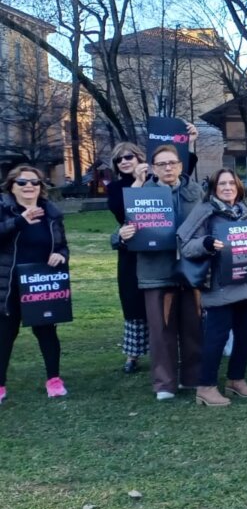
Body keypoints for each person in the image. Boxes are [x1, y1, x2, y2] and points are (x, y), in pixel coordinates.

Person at [178, 169, 247, 406]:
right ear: (214, 188)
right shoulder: (204, 212)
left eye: (232, 183)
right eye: (222, 184)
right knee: (216, 338)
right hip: (221, 287)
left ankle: (236, 379)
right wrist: (207, 243)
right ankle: (205, 386)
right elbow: (185, 245)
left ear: (238, 186)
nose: (228, 187)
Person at [116, 145, 204, 401]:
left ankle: (193, 377)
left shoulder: (196, 192)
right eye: (162, 164)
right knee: (161, 331)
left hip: (191, 270)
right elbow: (125, 230)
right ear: (153, 168)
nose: (168, 168)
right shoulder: (141, 193)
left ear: (181, 166)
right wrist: (121, 236)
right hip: (156, 272)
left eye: (172, 163)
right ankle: (164, 383)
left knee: (193, 328)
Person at [0, 166, 69, 403]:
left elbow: (62, 245)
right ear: (12, 186)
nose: (29, 186)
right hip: (9, 284)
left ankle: (54, 380)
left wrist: (61, 255)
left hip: (40, 283)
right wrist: (19, 221)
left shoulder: (51, 213)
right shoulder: (4, 209)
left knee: (47, 332)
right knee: (5, 334)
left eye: (35, 182)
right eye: (22, 182)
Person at [104, 142, 149, 374]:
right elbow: (124, 212)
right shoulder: (115, 188)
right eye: (118, 159)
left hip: (158, 249)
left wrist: (189, 142)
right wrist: (138, 183)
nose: (123, 161)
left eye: (128, 156)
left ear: (139, 157)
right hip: (131, 251)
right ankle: (133, 354)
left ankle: (172, 349)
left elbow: (183, 169)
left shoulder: (156, 180)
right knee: (133, 302)